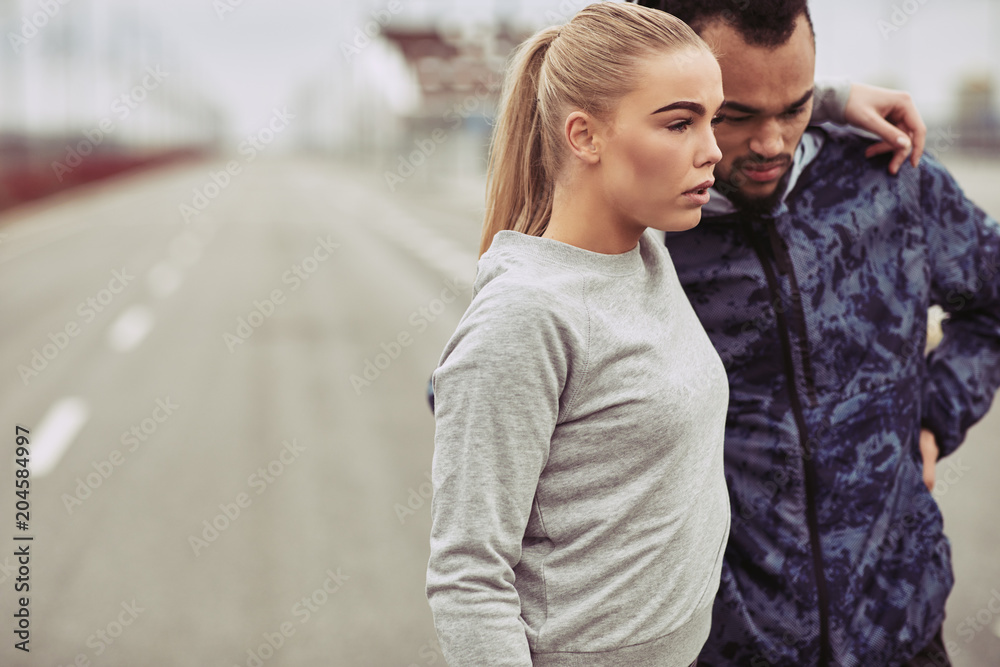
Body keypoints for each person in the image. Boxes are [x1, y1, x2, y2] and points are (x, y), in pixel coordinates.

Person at [630, 1, 1000, 665]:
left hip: (902, 627)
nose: (773, 143)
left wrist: (935, 417)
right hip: (722, 646)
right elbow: (504, 397)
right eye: (736, 114)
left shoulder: (888, 179)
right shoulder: (633, 230)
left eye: (797, 106)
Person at [426, 4, 731, 666]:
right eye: (680, 122)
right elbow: (468, 581)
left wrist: (834, 101)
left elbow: (774, 136)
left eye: (716, 118)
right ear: (584, 136)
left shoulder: (648, 243)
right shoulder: (523, 317)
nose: (714, 150)